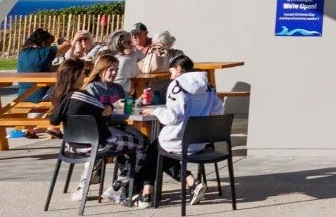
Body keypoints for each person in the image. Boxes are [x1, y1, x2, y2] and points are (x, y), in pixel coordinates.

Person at [130, 53, 224, 208]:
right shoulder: (208, 86)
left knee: (153, 150)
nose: (171, 76)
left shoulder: (177, 85)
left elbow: (172, 117)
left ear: (179, 69)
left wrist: (156, 111)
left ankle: (146, 194)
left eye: (172, 72)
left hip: (178, 139)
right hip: (199, 141)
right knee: (159, 150)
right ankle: (191, 183)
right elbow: (218, 109)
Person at [48, 56, 144, 202]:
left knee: (133, 141)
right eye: (82, 73)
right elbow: (105, 111)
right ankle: (119, 187)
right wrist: (110, 107)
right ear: (76, 75)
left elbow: (54, 120)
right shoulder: (83, 96)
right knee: (142, 143)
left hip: (71, 146)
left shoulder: (63, 96)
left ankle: (124, 185)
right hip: (94, 145)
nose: (84, 76)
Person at [12, 28, 58, 112]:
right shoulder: (43, 53)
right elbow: (67, 45)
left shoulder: (23, 53)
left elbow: (40, 68)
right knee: (66, 86)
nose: (50, 46)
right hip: (39, 97)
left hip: (22, 96)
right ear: (43, 43)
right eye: (49, 44)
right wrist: (61, 41)